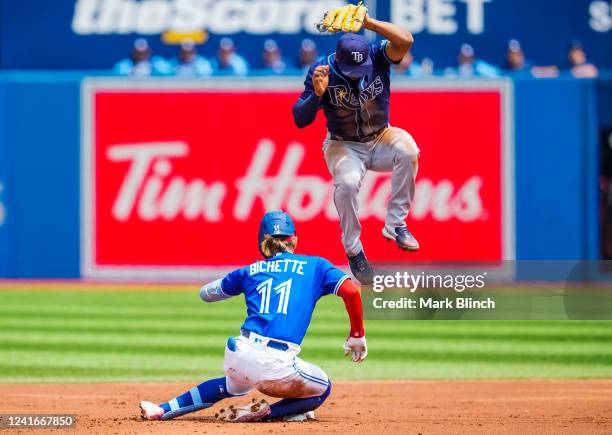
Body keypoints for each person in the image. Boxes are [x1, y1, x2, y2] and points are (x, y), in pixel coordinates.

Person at [139, 211, 367, 422]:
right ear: (294, 238)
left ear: (262, 241)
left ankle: (162, 409)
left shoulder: (249, 271)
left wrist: (239, 279)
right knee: (324, 387)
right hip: (276, 367)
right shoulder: (316, 265)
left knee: (231, 385)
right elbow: (351, 291)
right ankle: (267, 412)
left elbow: (206, 294)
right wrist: (357, 335)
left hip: (239, 353)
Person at [292, 15, 420, 285]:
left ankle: (396, 225)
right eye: (351, 70)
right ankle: (354, 250)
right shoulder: (322, 71)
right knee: (348, 183)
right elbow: (299, 120)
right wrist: (316, 95)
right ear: (338, 60)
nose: (357, 75)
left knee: (409, 150)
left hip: (381, 135)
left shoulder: (377, 56)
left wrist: (369, 22)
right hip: (344, 143)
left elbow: (406, 40)